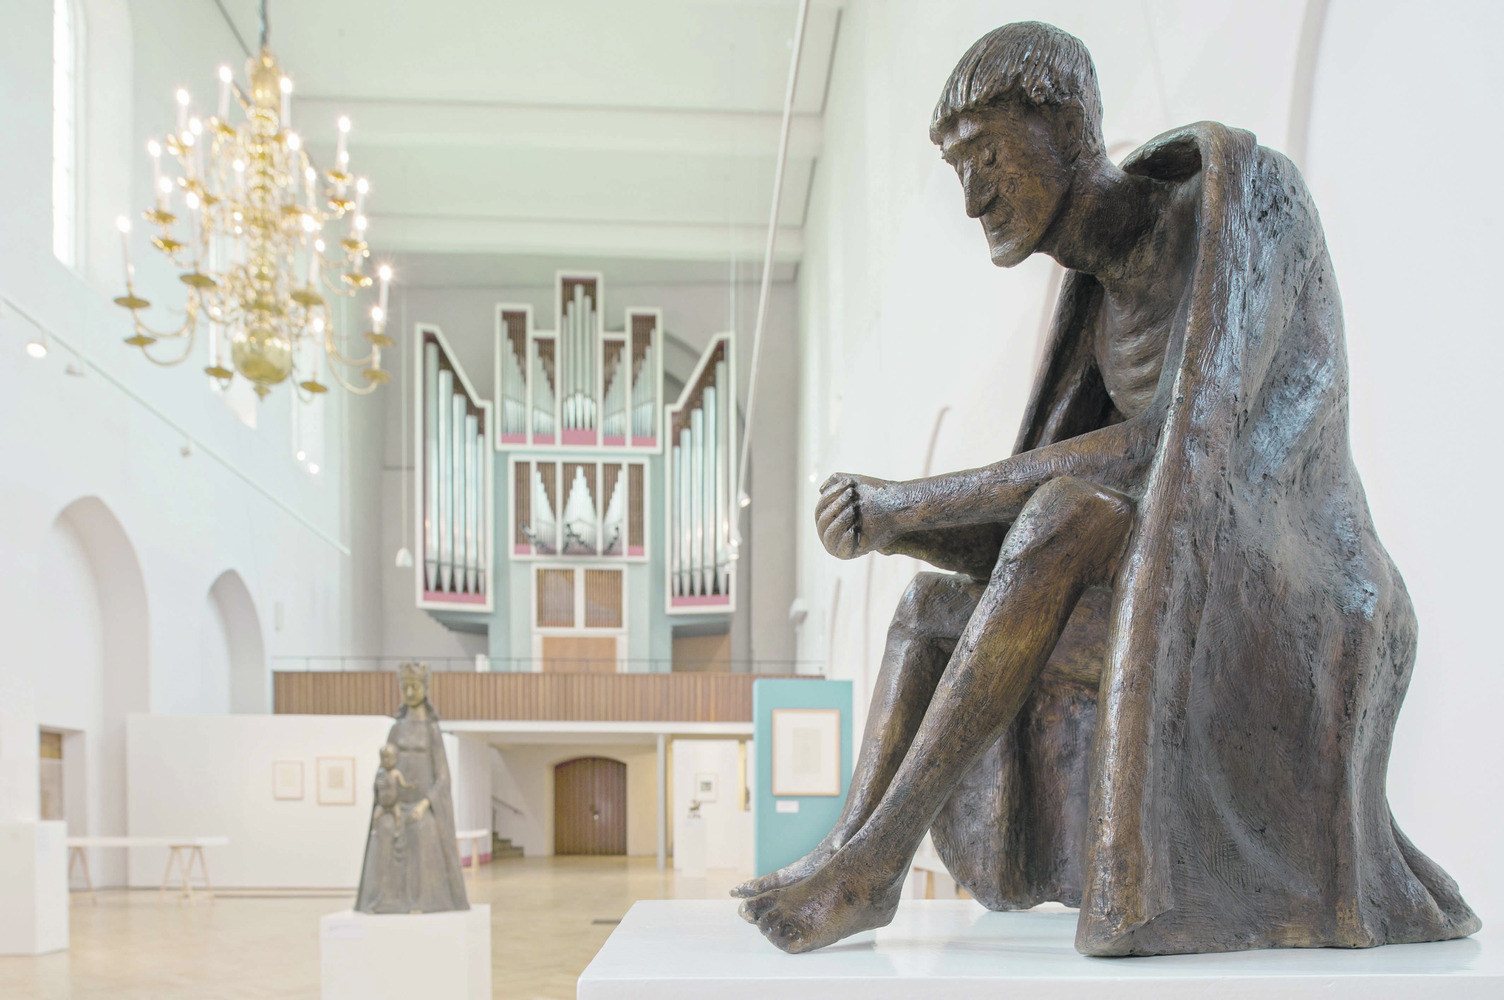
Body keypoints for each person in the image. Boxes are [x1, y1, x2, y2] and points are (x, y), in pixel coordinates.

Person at [734, 21, 1478, 956]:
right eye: (959, 171)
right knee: (930, 608)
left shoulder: (1241, 204)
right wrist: (908, 533)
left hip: (1301, 590)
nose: (973, 200)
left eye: (989, 157)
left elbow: (1185, 447)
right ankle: (845, 848)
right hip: (1182, 572)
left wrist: (913, 504)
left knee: (1060, 514)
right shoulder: (1093, 296)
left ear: (1067, 126)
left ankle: (873, 865)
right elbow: (1083, 498)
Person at [355, 662, 469, 914]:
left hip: (422, 805)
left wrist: (425, 804)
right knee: (383, 829)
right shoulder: (396, 729)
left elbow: (442, 777)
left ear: (425, 688)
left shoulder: (431, 730)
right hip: (396, 803)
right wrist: (386, 794)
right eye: (404, 687)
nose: (409, 693)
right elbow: (384, 767)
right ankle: (384, 899)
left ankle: (422, 900)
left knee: (421, 829)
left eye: (414, 687)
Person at [355, 743, 411, 913]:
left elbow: (403, 785)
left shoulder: (395, 774)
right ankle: (375, 829)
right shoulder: (381, 774)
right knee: (377, 817)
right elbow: (375, 790)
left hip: (392, 805)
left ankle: (397, 829)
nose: (387, 761)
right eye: (384, 757)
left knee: (398, 817)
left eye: (389, 757)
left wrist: (410, 787)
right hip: (383, 806)